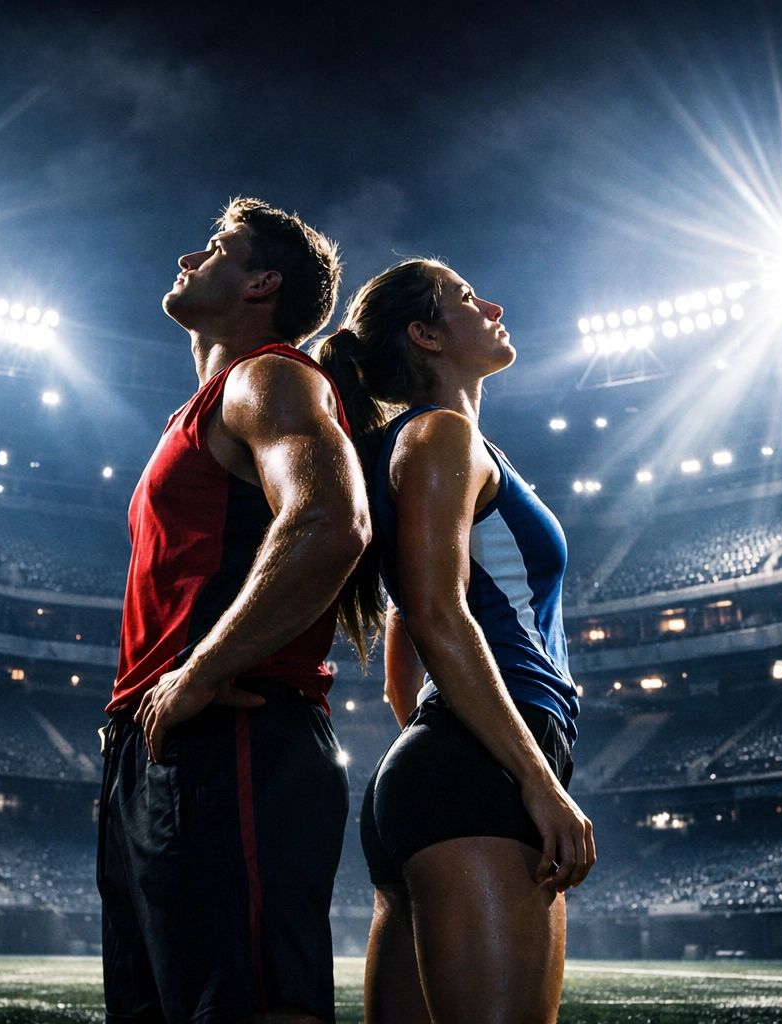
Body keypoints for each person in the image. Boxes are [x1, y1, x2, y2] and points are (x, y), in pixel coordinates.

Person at [98, 198, 370, 1024]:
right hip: (157, 747)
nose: (187, 257)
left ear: (263, 282)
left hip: (234, 736)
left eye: (215, 246)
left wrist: (202, 669)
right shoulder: (204, 408)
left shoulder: (271, 377)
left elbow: (331, 522)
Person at [313, 259, 595, 1024]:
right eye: (468, 297)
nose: (494, 303)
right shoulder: (440, 436)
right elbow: (438, 614)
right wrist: (530, 776)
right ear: (425, 334)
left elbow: (405, 642)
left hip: (447, 766)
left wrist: (443, 760)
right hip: (484, 764)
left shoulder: (433, 444)